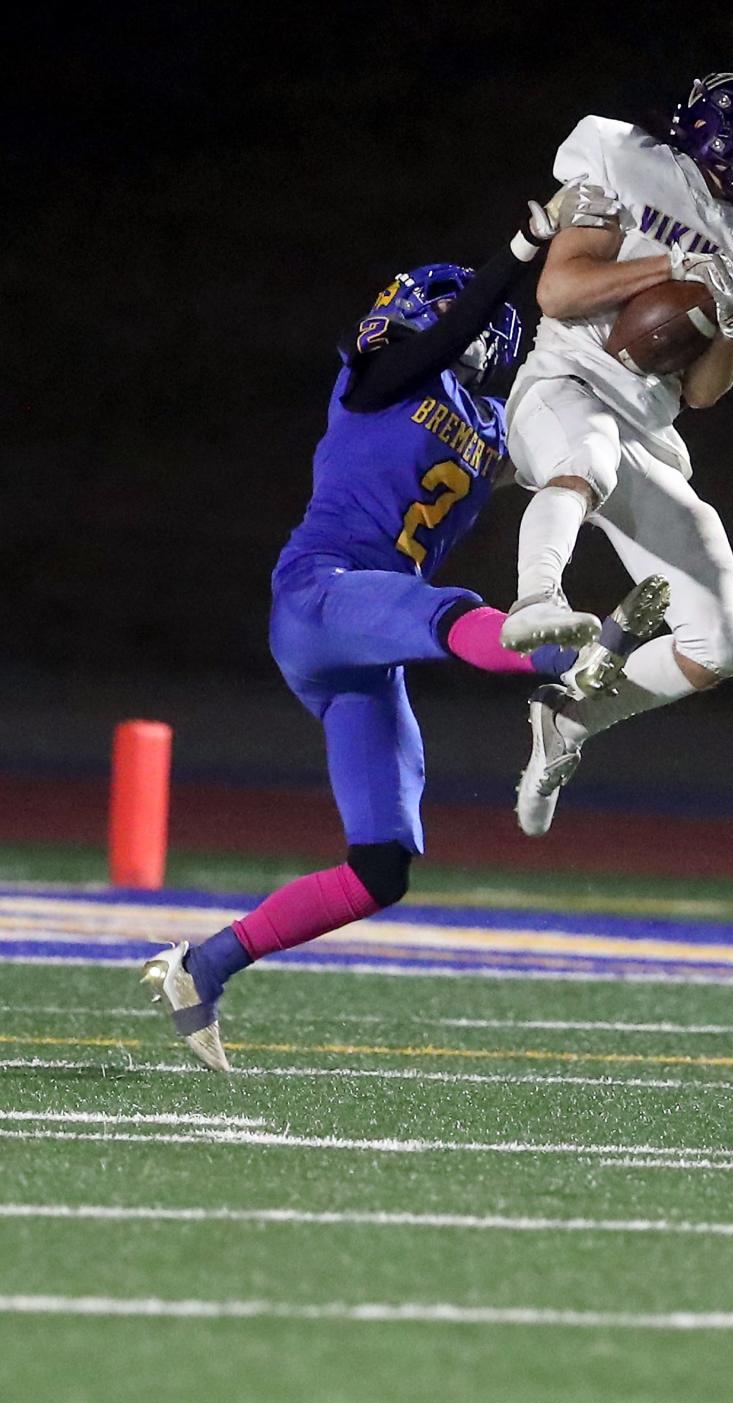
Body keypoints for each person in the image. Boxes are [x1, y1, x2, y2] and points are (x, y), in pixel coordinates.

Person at [139, 180, 632, 1072]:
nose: (419, 315)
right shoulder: (378, 375)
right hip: (324, 594)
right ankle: (577, 659)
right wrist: (521, 252)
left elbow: (564, 452)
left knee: (383, 865)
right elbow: (443, 338)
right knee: (460, 616)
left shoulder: (490, 428)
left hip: (366, 651)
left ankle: (202, 964)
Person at [497, 69, 733, 836]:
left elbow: (703, 392)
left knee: (719, 641)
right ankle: (536, 598)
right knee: (590, 452)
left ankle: (567, 720)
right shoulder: (619, 154)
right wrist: (674, 266)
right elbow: (559, 291)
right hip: (563, 383)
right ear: (715, 119)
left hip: (649, 427)